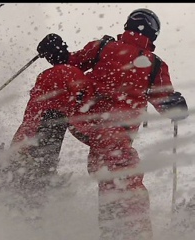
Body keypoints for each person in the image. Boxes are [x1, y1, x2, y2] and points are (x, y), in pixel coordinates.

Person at [10, 8, 189, 240]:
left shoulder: (149, 64)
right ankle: (30, 161)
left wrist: (174, 106)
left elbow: (164, 100)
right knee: (62, 75)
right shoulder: (110, 49)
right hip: (89, 113)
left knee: (119, 162)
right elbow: (70, 63)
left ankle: (125, 230)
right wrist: (58, 54)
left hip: (106, 125)